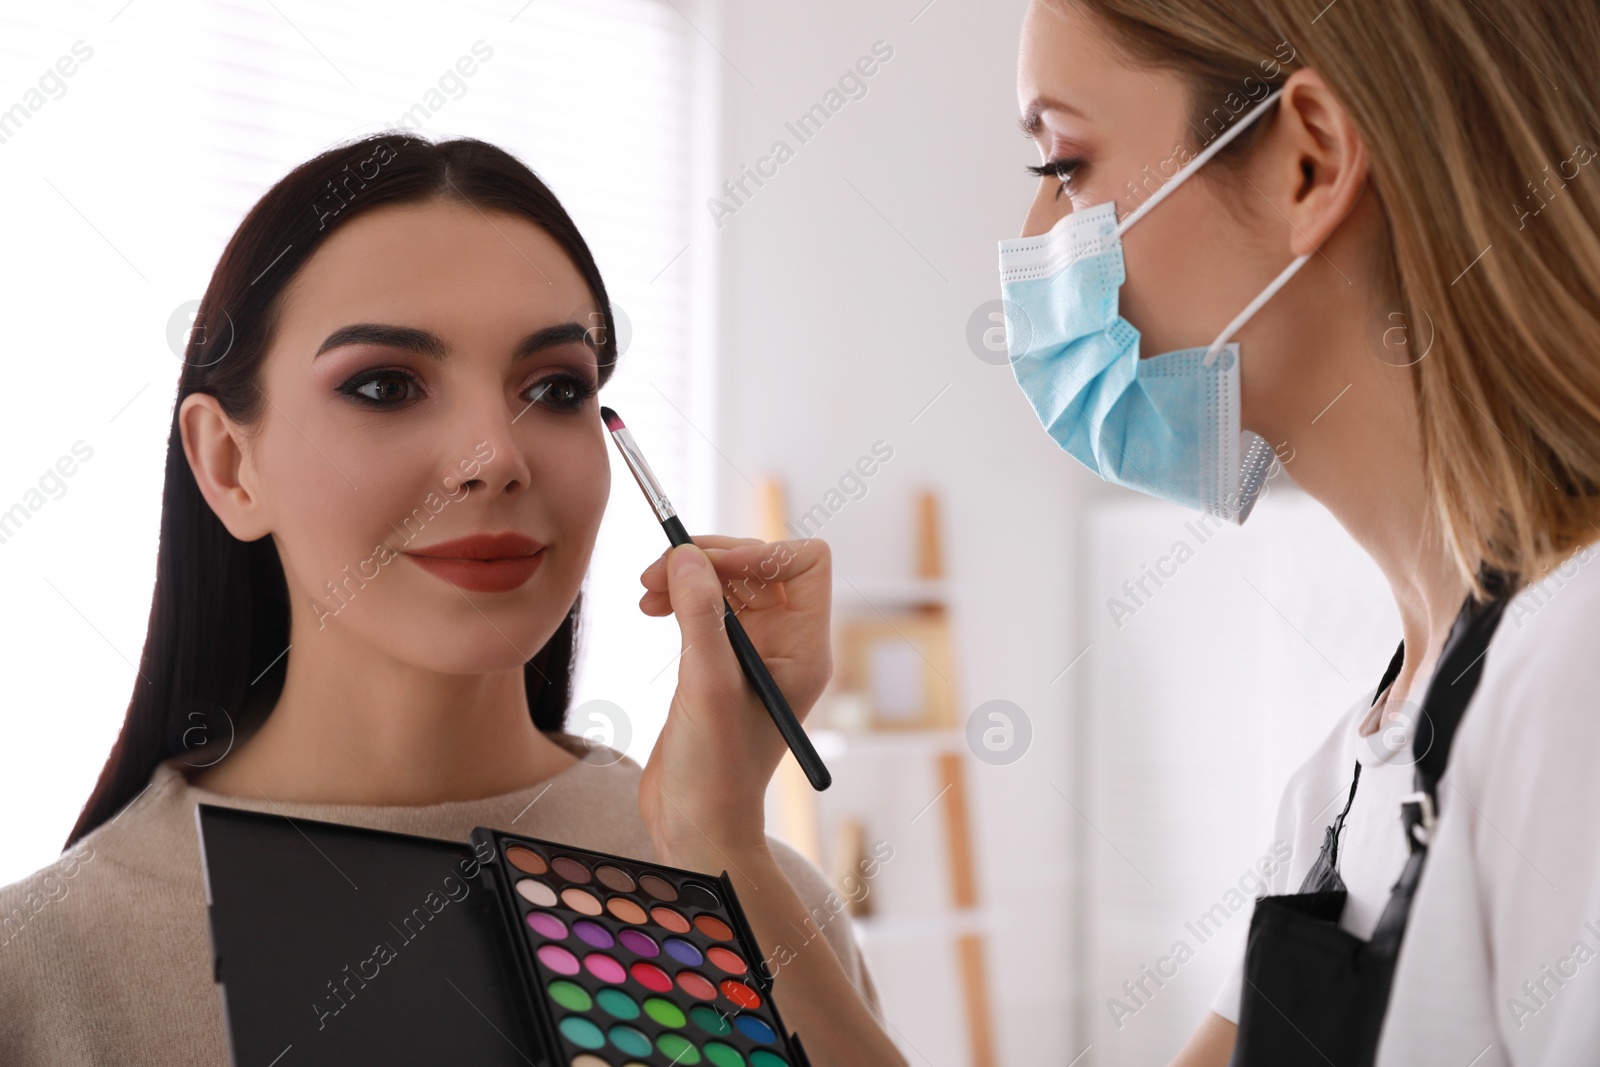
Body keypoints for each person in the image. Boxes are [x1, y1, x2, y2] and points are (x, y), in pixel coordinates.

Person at [0, 134, 905, 1066]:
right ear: (230, 465)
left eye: (554, 387)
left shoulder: (749, 891)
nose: (496, 457)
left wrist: (727, 857)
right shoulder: (40, 969)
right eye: (386, 386)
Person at [1007, 2, 1600, 1065]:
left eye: (1066, 165)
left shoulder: (1577, 669)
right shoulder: (1344, 778)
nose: (1037, 242)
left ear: (1309, 166)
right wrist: (734, 848)